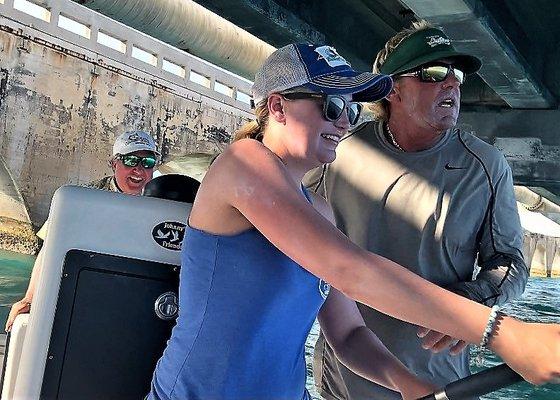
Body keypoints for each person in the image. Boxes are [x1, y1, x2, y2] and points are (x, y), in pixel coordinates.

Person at [147, 43, 560, 400]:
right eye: (330, 106)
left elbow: (347, 335)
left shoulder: (321, 210)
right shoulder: (243, 164)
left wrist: (406, 382)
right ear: (277, 107)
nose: (344, 121)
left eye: (350, 108)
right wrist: (502, 332)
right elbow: (351, 271)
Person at [310, 22, 531, 399]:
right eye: (434, 73)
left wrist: (472, 299)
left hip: (439, 384)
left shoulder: (485, 166)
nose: (453, 84)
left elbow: (509, 262)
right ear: (392, 88)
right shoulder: (334, 153)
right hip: (341, 380)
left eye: (456, 74)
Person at [5, 130, 159, 332]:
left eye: (147, 162)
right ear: (114, 164)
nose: (139, 170)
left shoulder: (159, 207)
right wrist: (30, 298)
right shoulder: (81, 199)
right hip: (83, 292)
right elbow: (49, 249)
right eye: (130, 161)